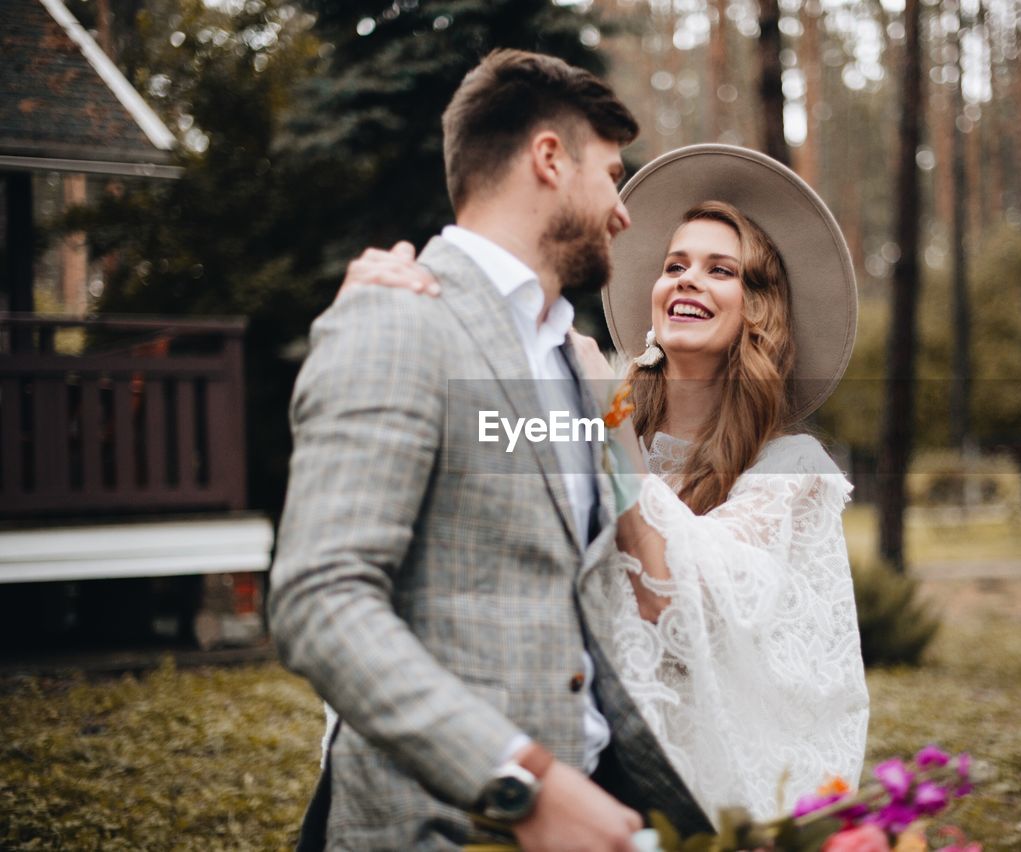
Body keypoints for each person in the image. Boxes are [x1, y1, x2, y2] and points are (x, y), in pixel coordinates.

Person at [343, 144, 870, 821]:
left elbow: (683, 598)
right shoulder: (584, 408)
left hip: (685, 793)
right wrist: (394, 306)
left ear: (759, 309)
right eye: (674, 265)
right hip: (564, 753)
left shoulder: (791, 470)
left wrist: (608, 423)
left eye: (720, 270)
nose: (686, 280)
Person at [269, 49, 712, 851]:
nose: (623, 212)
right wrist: (523, 786)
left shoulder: (570, 364)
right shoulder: (396, 321)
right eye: (611, 174)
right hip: (441, 826)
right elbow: (318, 603)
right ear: (549, 158)